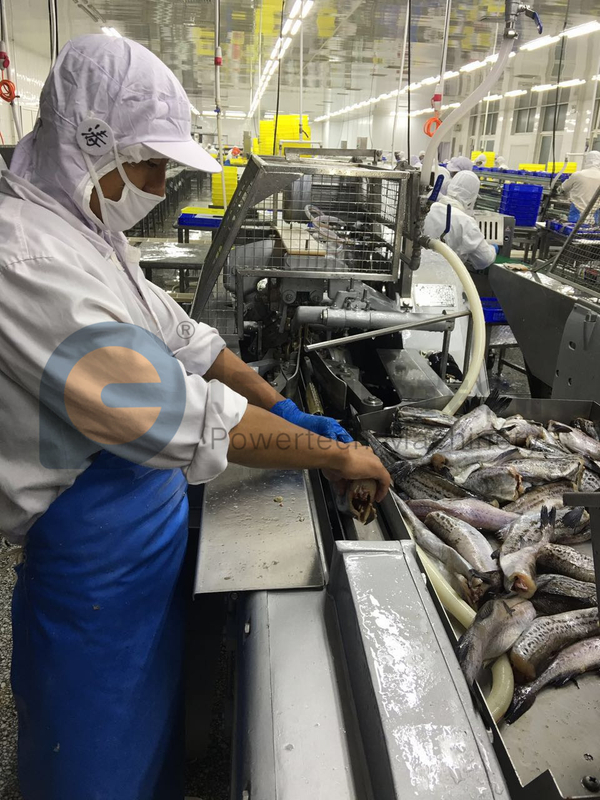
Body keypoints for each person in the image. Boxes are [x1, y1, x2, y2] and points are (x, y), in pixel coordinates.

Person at [0, 35, 390, 800]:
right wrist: (332, 455)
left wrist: (286, 408)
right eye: (150, 165)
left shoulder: (90, 236)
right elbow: (183, 415)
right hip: (89, 566)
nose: (158, 185)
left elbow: (191, 342)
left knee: (151, 740)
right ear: (92, 144)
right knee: (90, 764)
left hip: (143, 538)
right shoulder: (26, 261)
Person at [423, 171, 497, 270]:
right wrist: (493, 249)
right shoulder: (466, 222)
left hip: (419, 270)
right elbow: (484, 260)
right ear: (472, 198)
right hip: (446, 275)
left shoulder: (429, 208)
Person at [560, 150, 600, 224]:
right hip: (595, 213)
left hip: (577, 212)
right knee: (592, 230)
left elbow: (563, 188)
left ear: (586, 160)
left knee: (574, 229)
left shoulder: (578, 175)